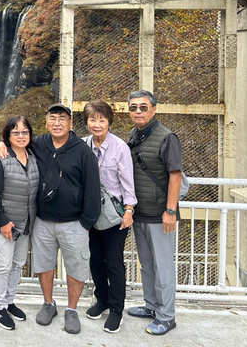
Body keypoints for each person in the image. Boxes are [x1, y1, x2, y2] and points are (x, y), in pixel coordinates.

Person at [31, 103, 100, 334]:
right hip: (43, 221)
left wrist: (86, 223)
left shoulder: (82, 151)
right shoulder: (38, 143)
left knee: (76, 267)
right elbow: (15, 142)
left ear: (71, 123)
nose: (57, 123)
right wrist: (1, 144)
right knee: (44, 265)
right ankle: (48, 303)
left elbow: (93, 188)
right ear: (46, 122)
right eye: (53, 118)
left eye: (62, 118)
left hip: (74, 223)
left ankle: (71, 309)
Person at [125, 90, 182, 336]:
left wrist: (170, 210)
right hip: (140, 212)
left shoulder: (167, 137)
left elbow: (175, 175)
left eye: (143, 107)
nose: (138, 111)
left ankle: (167, 317)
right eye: (133, 107)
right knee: (147, 264)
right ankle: (151, 306)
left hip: (161, 215)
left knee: (163, 267)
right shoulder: (134, 135)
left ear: (154, 109)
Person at [81, 100, 136, 334]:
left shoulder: (120, 147)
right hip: (91, 214)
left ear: (109, 122)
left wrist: (129, 210)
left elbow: (127, 182)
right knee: (95, 259)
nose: (97, 124)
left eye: (102, 119)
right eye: (92, 119)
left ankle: (116, 310)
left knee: (114, 262)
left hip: (115, 215)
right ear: (86, 122)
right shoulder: (83, 145)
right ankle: (101, 299)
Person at [0, 115, 39, 330]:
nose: (21, 135)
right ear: (7, 135)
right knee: (3, 265)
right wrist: (3, 222)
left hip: (26, 223)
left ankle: (9, 300)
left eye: (25, 131)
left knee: (17, 264)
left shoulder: (34, 156)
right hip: (4, 224)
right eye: (15, 132)